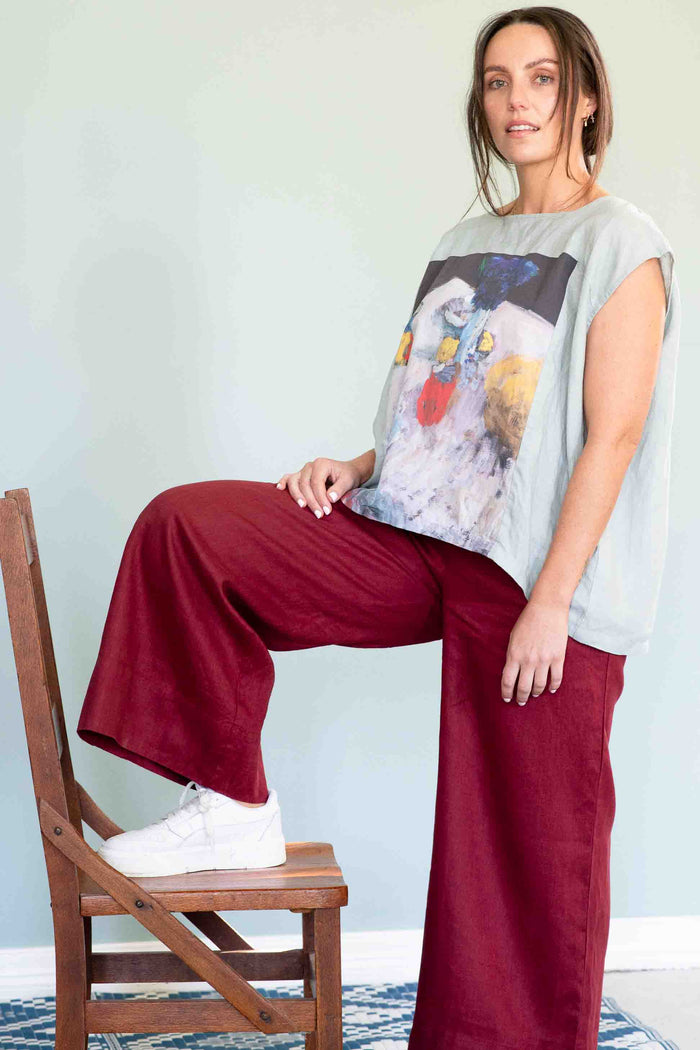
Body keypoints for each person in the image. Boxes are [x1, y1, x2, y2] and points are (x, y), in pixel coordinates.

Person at [76, 6, 680, 1049]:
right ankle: (230, 798)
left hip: (538, 577)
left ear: (584, 98)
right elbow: (451, 412)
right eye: (497, 81)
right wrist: (354, 465)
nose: (517, 100)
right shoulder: (465, 240)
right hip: (417, 533)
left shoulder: (620, 242)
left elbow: (610, 436)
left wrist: (549, 604)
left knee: (525, 850)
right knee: (191, 527)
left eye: (540, 79)